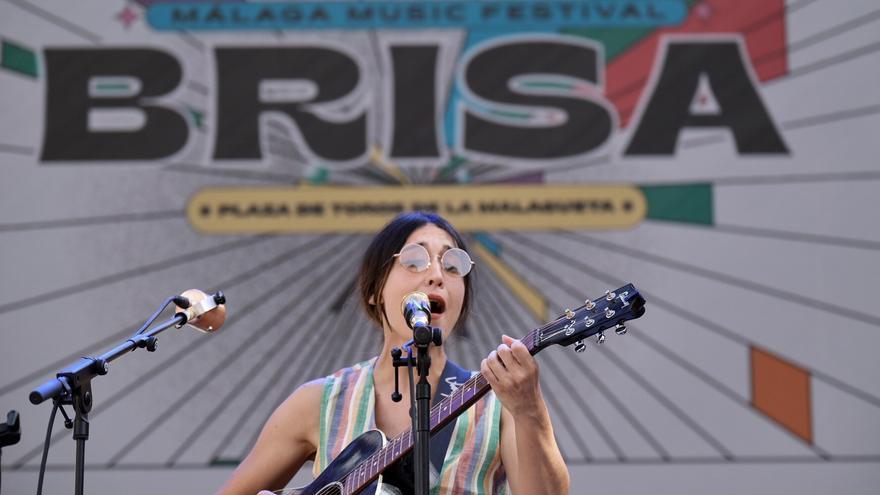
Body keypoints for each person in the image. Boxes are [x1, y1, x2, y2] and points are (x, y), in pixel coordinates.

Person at [215, 212, 569, 495]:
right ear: (374, 291)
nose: (436, 275)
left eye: (452, 265)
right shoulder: (319, 402)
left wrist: (529, 410)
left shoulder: (497, 403)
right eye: (414, 261)